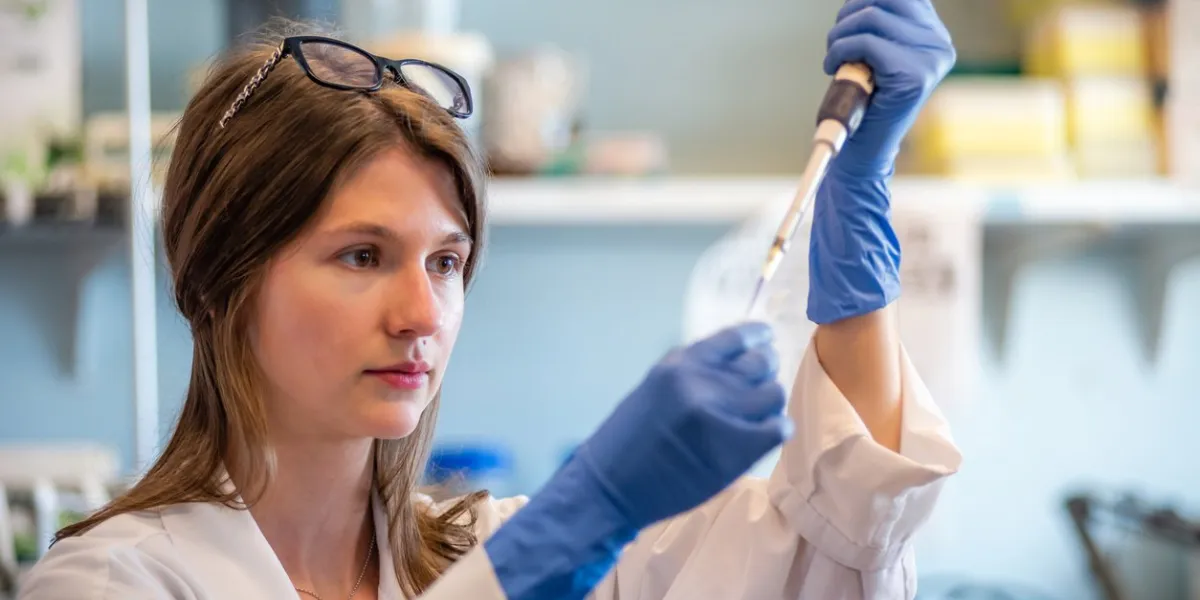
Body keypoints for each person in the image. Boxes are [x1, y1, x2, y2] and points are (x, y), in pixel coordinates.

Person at [19, 0, 961, 598]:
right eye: (360, 255)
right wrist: (577, 525)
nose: (423, 315)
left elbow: (831, 553)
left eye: (444, 263)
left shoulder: (486, 547)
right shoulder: (114, 582)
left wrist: (856, 229)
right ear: (221, 275)